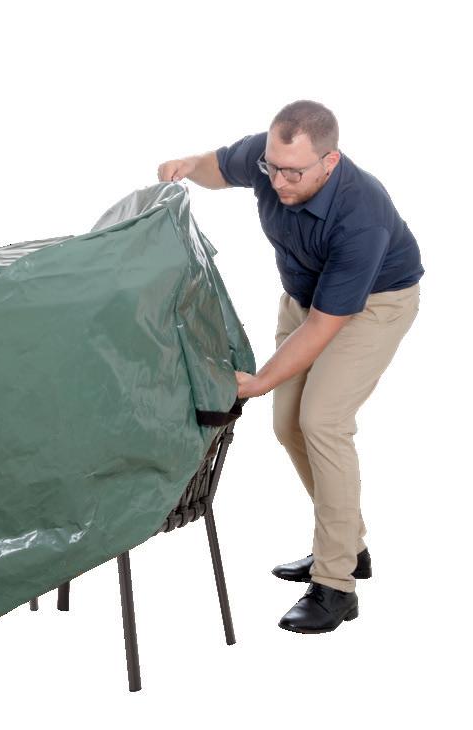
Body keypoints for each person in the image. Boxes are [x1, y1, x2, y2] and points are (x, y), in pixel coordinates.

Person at [157, 100, 424, 634]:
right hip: (305, 299)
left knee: (322, 422)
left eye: (293, 172)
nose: (277, 181)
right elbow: (218, 167)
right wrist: (188, 165)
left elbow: (326, 326)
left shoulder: (362, 216)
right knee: (287, 424)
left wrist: (260, 381)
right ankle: (346, 545)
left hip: (373, 305)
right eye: (272, 167)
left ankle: (336, 585)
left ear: (330, 161)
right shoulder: (270, 157)